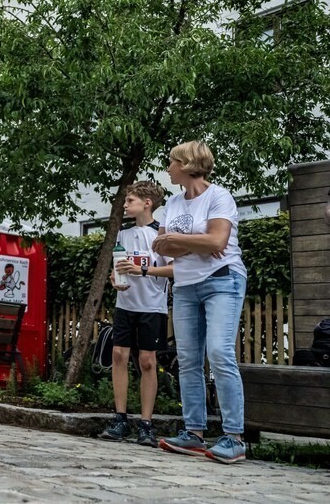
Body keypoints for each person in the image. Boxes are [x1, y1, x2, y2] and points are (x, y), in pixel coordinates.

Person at [153, 141, 249, 465]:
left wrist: (180, 241)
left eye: (171, 162)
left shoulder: (219, 196)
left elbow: (218, 242)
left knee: (220, 353)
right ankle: (194, 433)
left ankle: (234, 438)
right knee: (188, 359)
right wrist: (199, 243)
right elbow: (162, 249)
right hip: (185, 285)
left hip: (223, 280)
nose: (167, 168)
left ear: (188, 164)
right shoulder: (173, 203)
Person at [98, 181, 173, 447]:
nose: (125, 205)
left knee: (147, 362)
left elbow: (174, 270)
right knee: (119, 355)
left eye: (130, 200)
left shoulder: (162, 235)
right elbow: (118, 269)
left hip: (152, 306)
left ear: (147, 203)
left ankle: (146, 424)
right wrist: (114, 279)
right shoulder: (123, 234)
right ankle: (120, 419)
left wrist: (142, 271)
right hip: (125, 303)